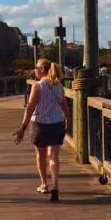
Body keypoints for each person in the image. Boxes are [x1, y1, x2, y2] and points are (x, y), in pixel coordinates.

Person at [13, 58, 70, 202]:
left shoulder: (37, 86)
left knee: (41, 155)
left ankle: (44, 184)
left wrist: (23, 127)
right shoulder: (59, 85)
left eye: (36, 68)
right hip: (57, 123)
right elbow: (64, 105)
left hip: (40, 124)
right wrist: (68, 118)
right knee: (53, 156)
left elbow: (30, 108)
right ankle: (55, 186)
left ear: (42, 69)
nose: (34, 70)